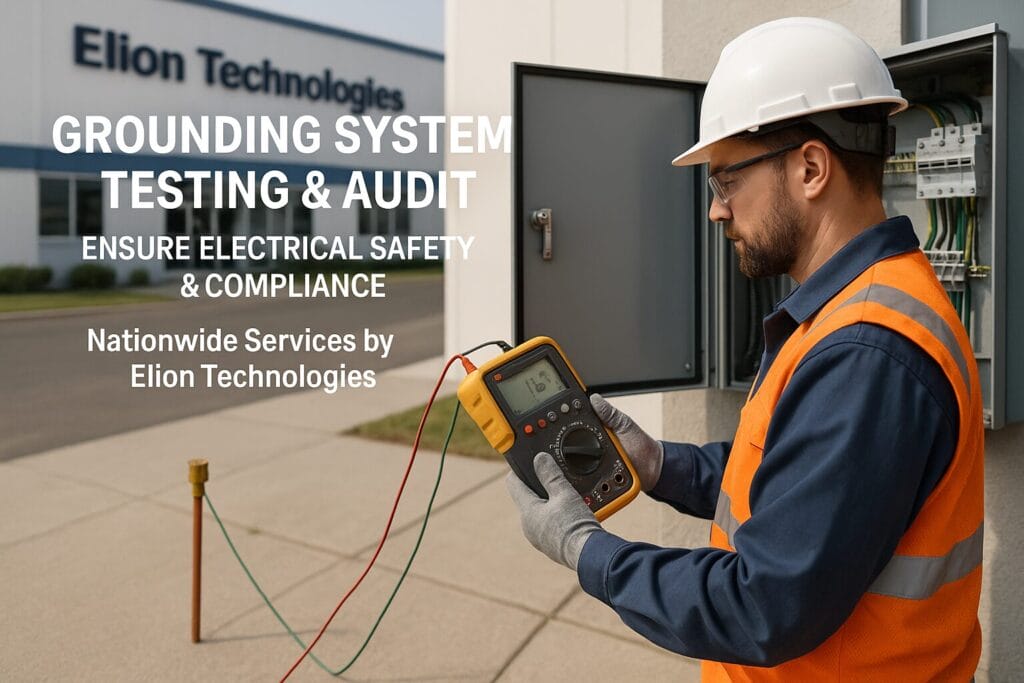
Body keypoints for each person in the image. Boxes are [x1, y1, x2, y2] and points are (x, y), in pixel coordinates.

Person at [506, 17, 984, 681]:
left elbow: (762, 603)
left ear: (811, 167)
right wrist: (659, 465)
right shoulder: (859, 309)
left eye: (726, 180)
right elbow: (793, 478)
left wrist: (587, 549)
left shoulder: (868, 351)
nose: (715, 210)